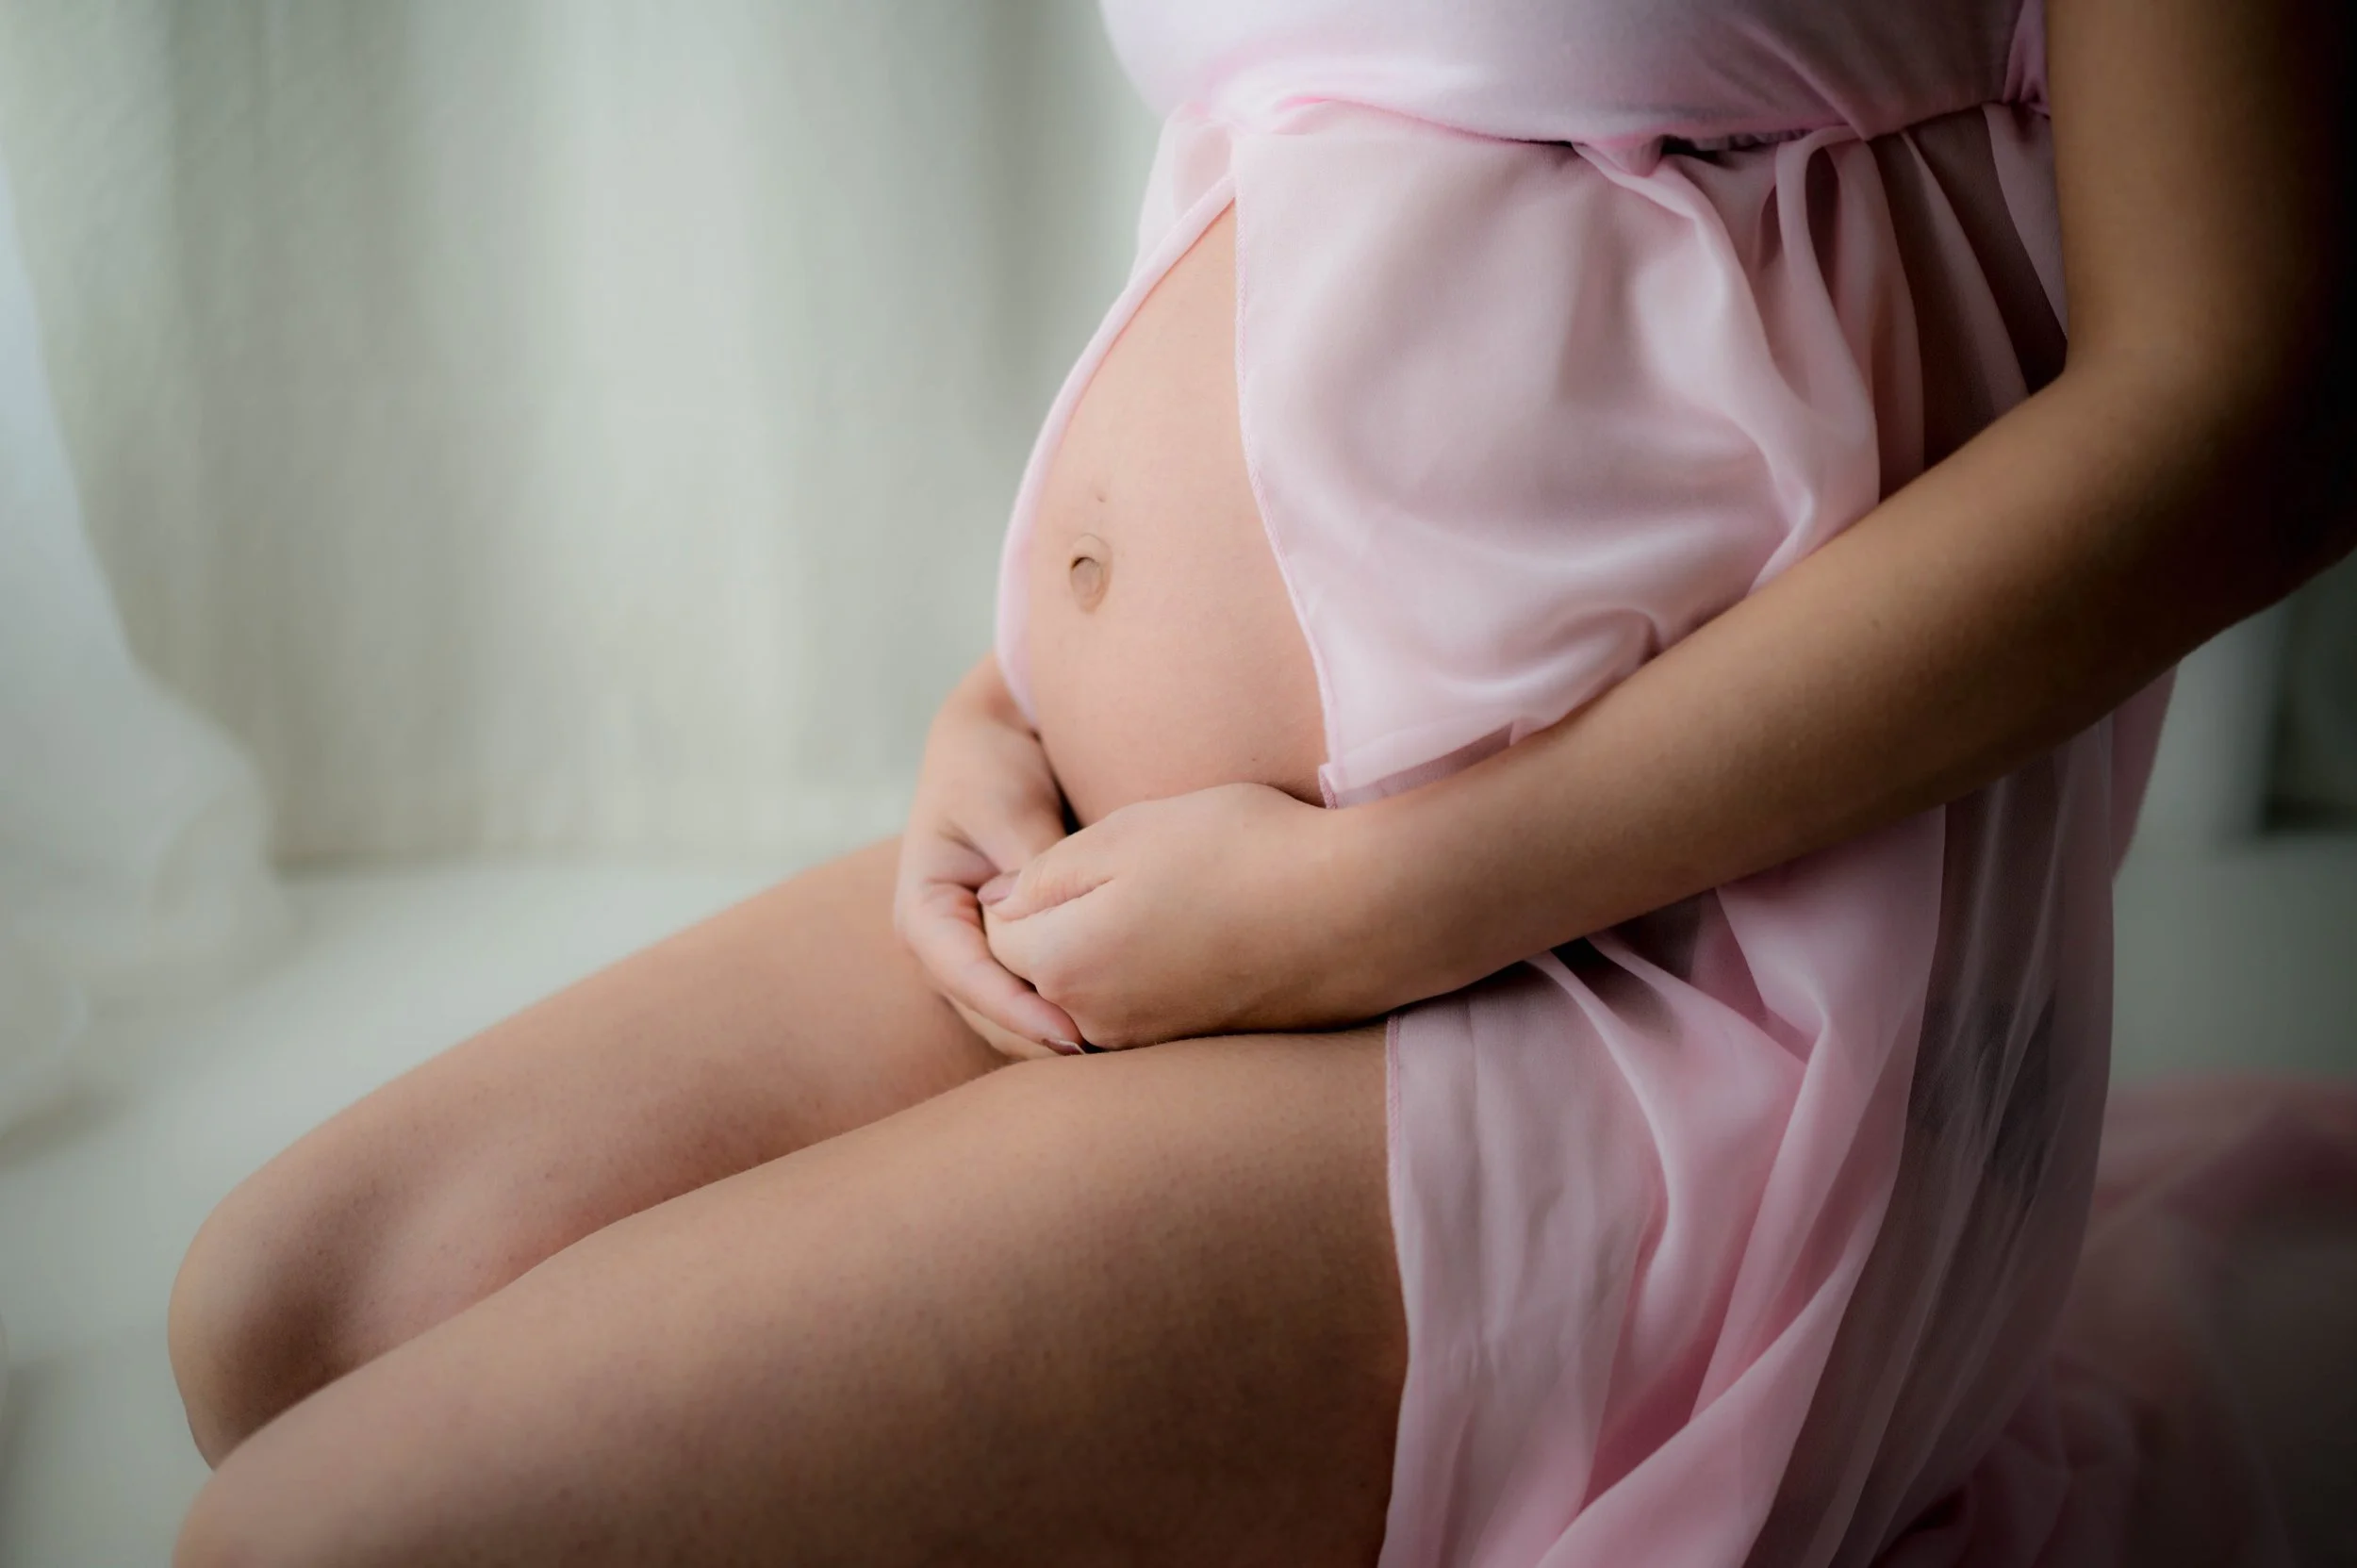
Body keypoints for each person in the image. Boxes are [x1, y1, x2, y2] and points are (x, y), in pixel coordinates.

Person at [166, 0, 2357, 1563]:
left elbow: (2255, 398)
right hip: (1164, 880)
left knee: (311, 1537)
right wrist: (1010, 698)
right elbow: (1366, 215)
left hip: (1674, 988)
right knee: (287, 1317)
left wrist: (1383, 902)